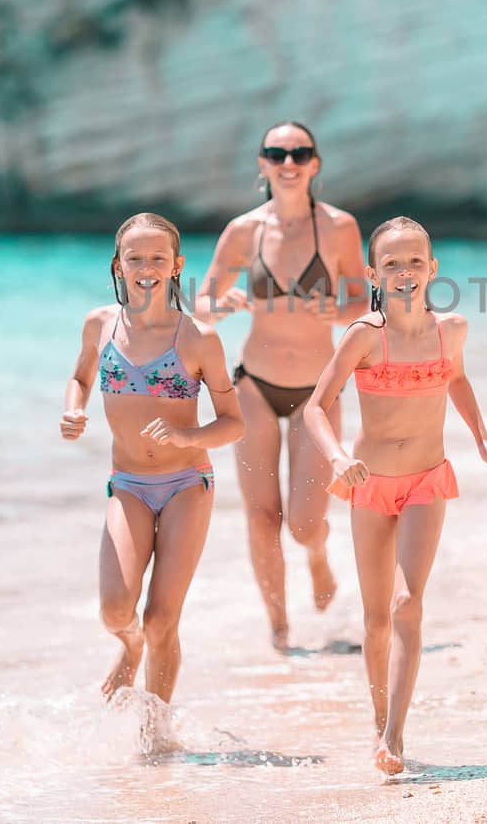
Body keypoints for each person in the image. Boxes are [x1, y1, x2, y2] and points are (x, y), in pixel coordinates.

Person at [303, 217, 487, 775]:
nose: (404, 273)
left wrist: (483, 439)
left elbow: (458, 381)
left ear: (432, 269)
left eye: (415, 262)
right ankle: (377, 721)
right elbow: (314, 407)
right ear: (373, 273)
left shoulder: (453, 330)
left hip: (425, 479)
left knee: (407, 605)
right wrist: (339, 460)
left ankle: (395, 734)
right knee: (374, 620)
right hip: (367, 484)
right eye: (392, 264)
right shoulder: (365, 335)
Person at [196, 122, 368, 652]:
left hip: (318, 391)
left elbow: (364, 301)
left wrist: (335, 310)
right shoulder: (244, 230)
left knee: (303, 523)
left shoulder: (339, 227)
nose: (288, 162)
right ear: (263, 164)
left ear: (315, 164)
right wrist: (221, 308)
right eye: (277, 153)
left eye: (300, 153)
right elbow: (201, 300)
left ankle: (317, 556)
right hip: (254, 386)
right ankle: (279, 629)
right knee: (260, 514)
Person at [62, 213, 244, 705]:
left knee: (163, 618)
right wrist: (74, 410)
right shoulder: (99, 324)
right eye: (135, 257)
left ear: (177, 265)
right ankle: (129, 647)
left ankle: (156, 730)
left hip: (187, 482)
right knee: (116, 611)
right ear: (118, 265)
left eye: (158, 257)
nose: (147, 267)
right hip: (128, 485)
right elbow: (80, 378)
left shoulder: (198, 337)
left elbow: (233, 421)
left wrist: (188, 436)